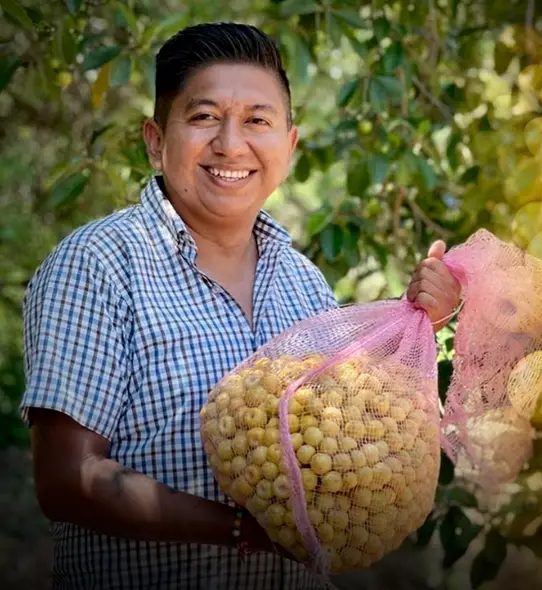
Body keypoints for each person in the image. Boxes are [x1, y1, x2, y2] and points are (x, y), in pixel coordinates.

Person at [19, 21, 461, 590]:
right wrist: (240, 529)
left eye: (257, 120)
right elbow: (66, 481)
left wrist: (422, 319)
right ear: (156, 140)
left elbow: (348, 431)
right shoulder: (98, 266)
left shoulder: (302, 282)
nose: (231, 144)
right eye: (203, 117)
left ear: (290, 144)